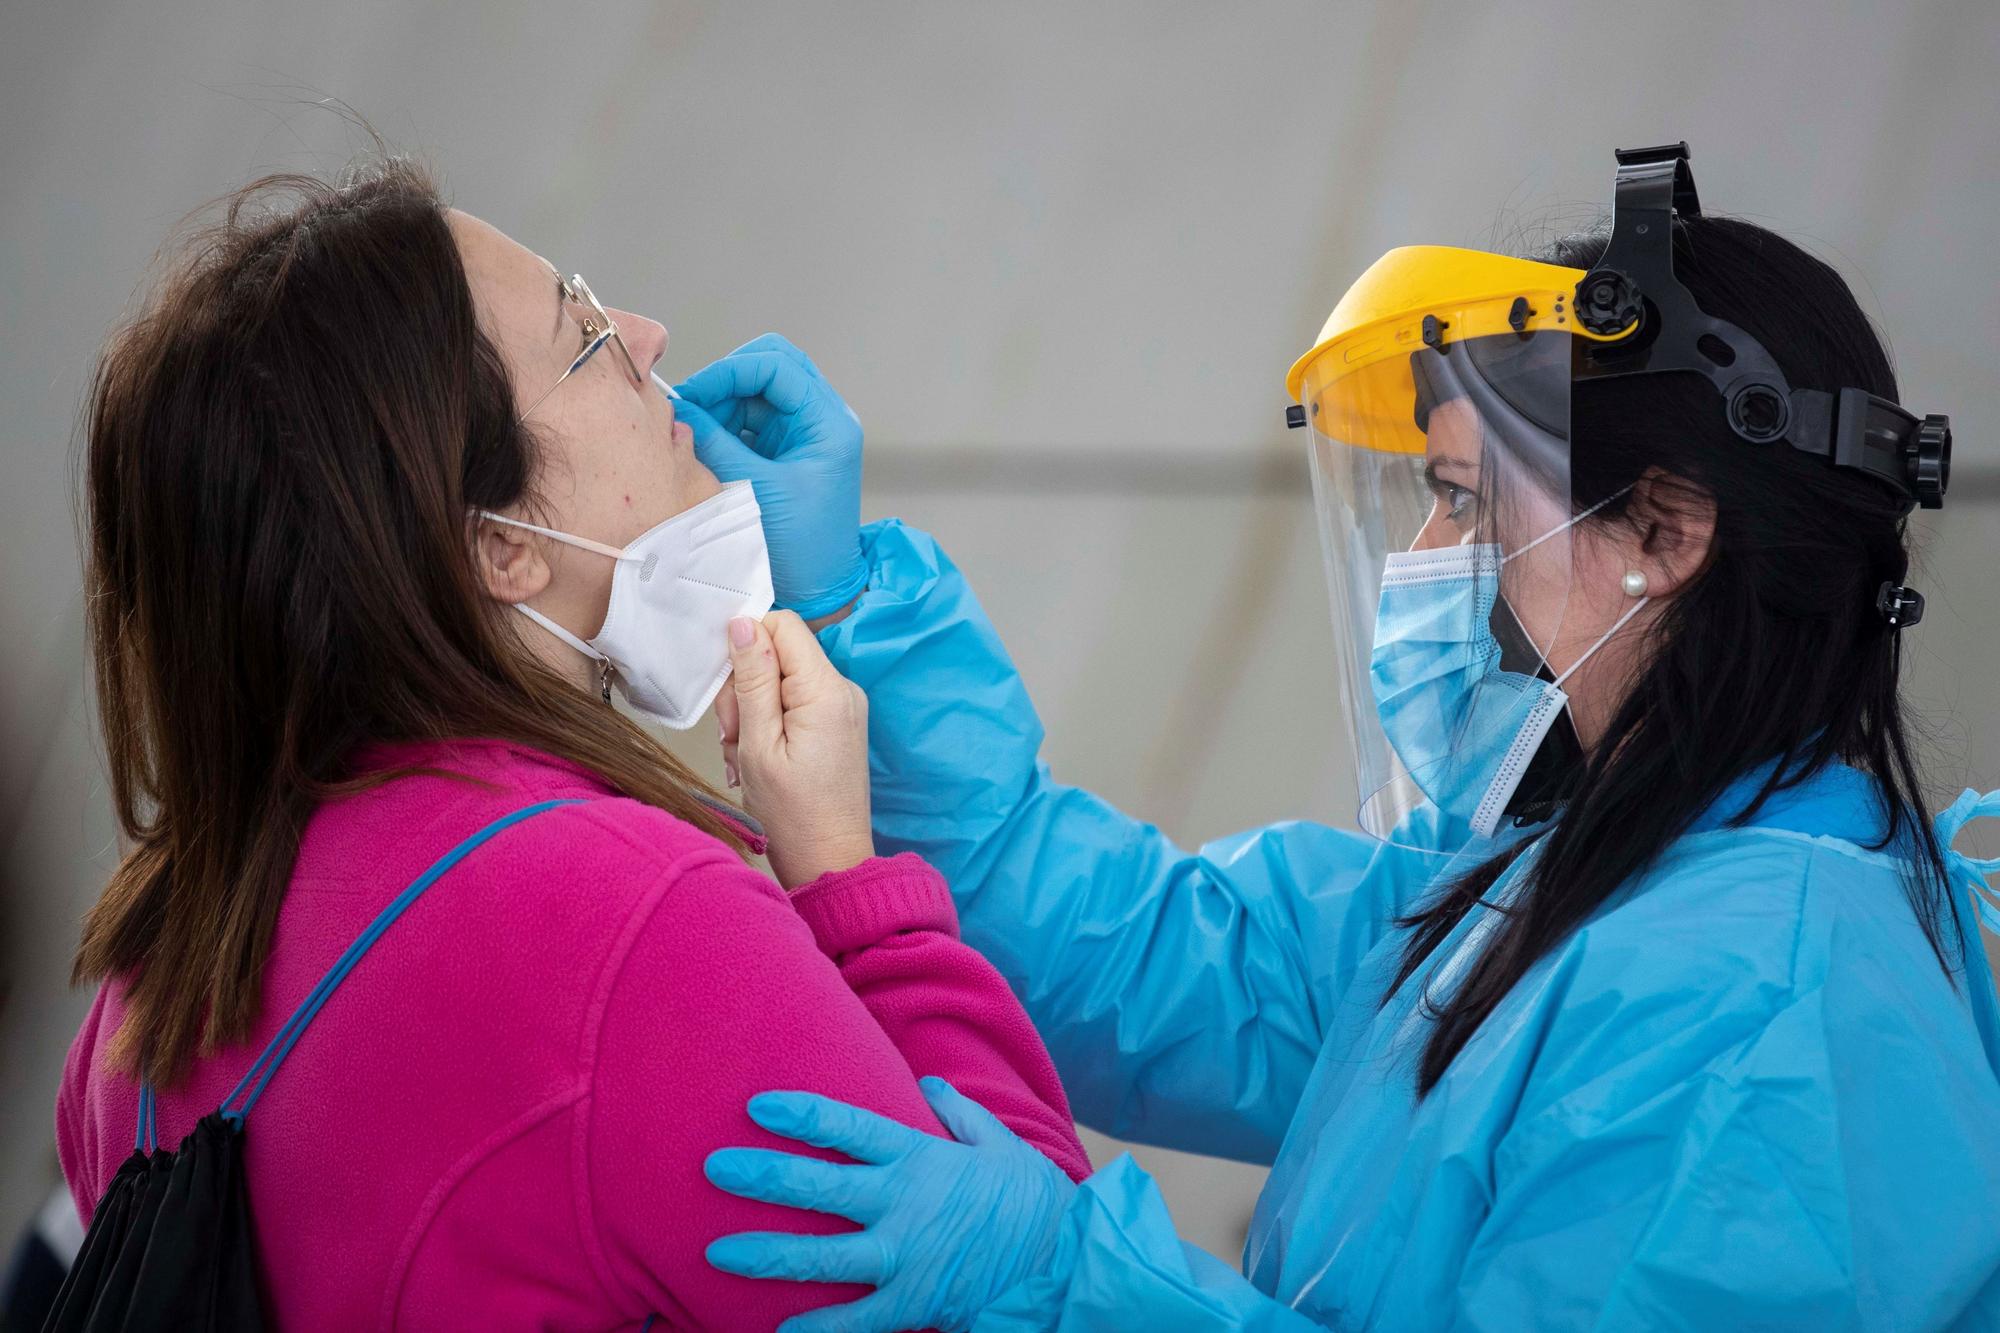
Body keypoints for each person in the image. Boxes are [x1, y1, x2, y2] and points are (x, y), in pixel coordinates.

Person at [679, 145, 2000, 1329]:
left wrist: (1064, 1280)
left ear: (1665, 531)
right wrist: (854, 598)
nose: (1425, 564)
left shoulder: (1767, 1012)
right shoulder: (1552, 887)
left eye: (1463, 500)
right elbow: (1138, 955)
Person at [55, 158, 1089, 1331]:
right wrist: (856, 892)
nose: (647, 337)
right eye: (584, 333)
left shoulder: (129, 1012)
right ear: (498, 547)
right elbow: (1039, 1295)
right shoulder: (631, 926)